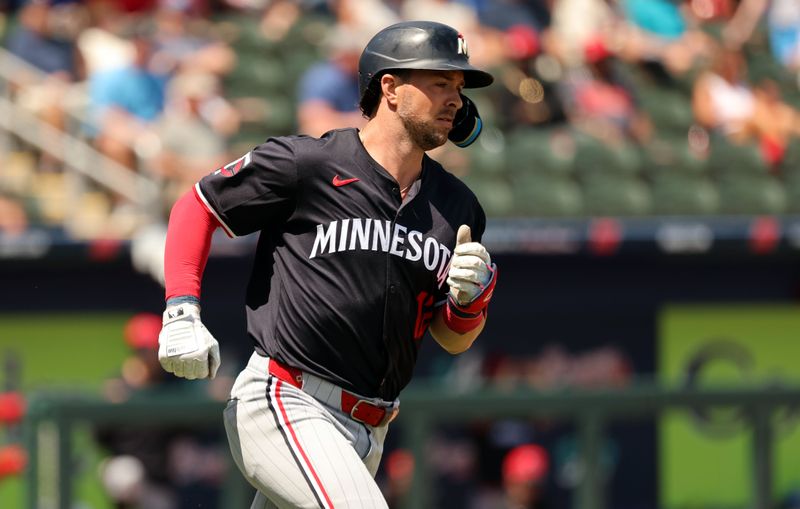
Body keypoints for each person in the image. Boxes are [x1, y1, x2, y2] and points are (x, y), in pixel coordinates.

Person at [156, 20, 499, 508]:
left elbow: (453, 337)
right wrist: (181, 307)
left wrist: (472, 300)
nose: (455, 100)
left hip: (369, 430)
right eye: (440, 82)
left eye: (459, 88)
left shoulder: (458, 207)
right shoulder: (309, 164)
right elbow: (198, 207)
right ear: (391, 88)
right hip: (285, 400)